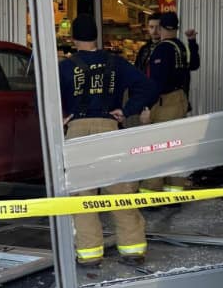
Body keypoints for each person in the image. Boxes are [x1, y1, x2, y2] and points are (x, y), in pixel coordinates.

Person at [59, 14, 158, 267]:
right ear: (96, 38)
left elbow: (42, 99)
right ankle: (133, 250)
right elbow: (148, 87)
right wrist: (126, 110)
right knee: (121, 192)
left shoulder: (65, 67)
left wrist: (60, 118)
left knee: (83, 196)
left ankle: (90, 254)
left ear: (73, 39)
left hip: (77, 130)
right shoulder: (116, 63)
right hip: (110, 129)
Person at [139, 11, 198, 191]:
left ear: (163, 28)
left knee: (157, 148)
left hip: (165, 103)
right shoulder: (182, 46)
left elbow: (157, 83)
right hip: (180, 100)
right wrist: (192, 42)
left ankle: (153, 192)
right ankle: (174, 192)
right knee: (175, 147)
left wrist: (147, 107)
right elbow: (194, 64)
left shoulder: (162, 49)